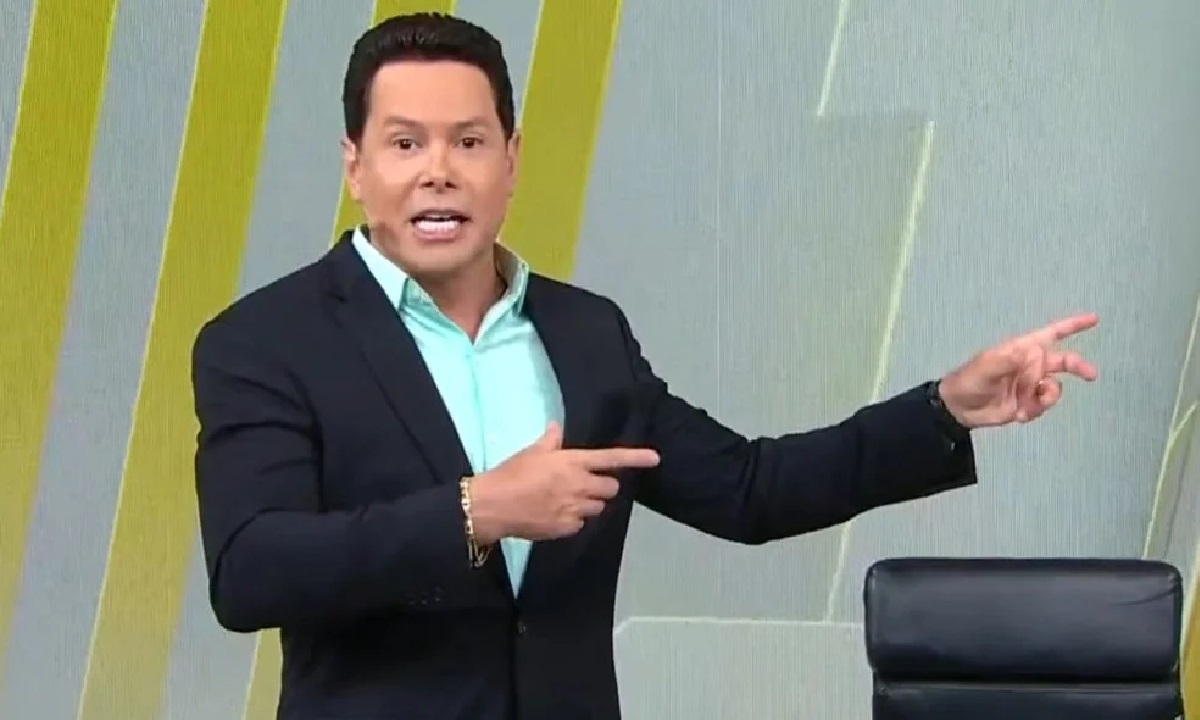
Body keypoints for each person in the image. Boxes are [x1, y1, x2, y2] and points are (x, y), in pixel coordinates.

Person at [190, 12, 1098, 720]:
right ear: (355, 165)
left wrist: (945, 407)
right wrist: (478, 511)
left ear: (511, 159)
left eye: (468, 141)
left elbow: (749, 489)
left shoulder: (586, 333)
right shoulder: (265, 341)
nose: (439, 171)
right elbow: (251, 569)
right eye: (404, 144)